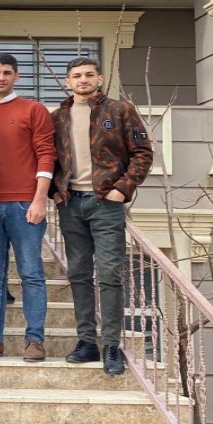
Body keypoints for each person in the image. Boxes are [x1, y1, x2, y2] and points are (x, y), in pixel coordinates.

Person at [51, 57, 153, 376]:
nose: (82, 80)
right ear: (68, 82)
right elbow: (47, 157)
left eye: (88, 75)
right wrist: (55, 192)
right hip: (70, 204)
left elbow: (142, 153)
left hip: (106, 203)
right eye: (76, 76)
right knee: (79, 273)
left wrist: (122, 189)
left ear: (99, 79)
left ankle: (111, 345)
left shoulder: (119, 110)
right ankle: (86, 342)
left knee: (109, 273)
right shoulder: (57, 117)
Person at [0, 53, 56, 362]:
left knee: (31, 273)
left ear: (16, 76)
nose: (1, 77)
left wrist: (40, 198)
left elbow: (46, 154)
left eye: (6, 72)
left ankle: (35, 340)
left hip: (24, 203)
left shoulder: (33, 109)